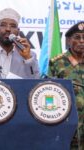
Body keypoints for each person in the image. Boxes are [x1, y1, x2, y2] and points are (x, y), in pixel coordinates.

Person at [49, 21, 84, 150]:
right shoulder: (57, 63)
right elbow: (49, 94)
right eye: (77, 37)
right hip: (69, 125)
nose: (82, 41)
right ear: (68, 40)